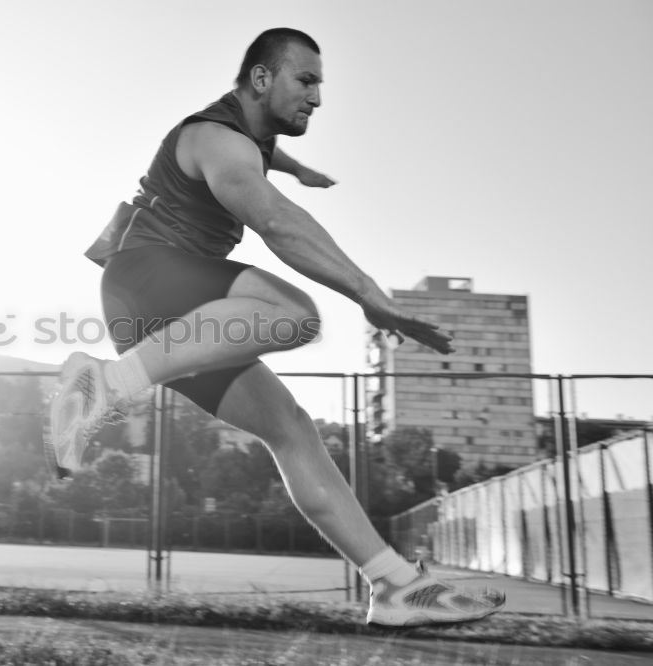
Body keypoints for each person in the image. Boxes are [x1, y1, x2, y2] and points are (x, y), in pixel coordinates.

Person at [47, 28, 504, 627]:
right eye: (306, 81)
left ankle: (393, 586)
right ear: (262, 79)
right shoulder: (215, 139)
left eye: (320, 85)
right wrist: (371, 296)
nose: (317, 97)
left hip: (178, 319)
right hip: (148, 277)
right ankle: (107, 385)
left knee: (291, 428)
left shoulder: (251, 139)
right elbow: (276, 221)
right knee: (294, 314)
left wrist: (298, 167)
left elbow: (268, 154)